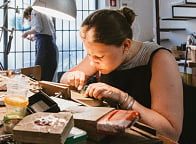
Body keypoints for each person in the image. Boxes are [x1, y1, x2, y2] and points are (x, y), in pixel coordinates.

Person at [60, 7, 183, 142]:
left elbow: (171, 133)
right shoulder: (98, 54)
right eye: (89, 54)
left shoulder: (160, 59)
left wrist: (124, 99)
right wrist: (72, 77)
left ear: (125, 45)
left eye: (99, 57)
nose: (92, 62)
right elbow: (64, 80)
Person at [22, 6, 58, 81]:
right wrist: (35, 38)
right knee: (48, 72)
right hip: (50, 44)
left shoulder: (34, 11)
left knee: (39, 72)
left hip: (44, 46)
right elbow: (47, 32)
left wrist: (26, 33)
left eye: (28, 19)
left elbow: (38, 28)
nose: (29, 20)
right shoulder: (45, 13)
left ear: (28, 14)